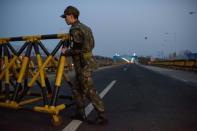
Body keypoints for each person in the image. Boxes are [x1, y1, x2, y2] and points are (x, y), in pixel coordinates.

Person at [60, 5, 108, 124]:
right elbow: (91, 45)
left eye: (65, 17)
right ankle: (80, 113)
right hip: (87, 62)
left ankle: (102, 116)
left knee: (89, 91)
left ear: (71, 16)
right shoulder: (86, 28)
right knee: (76, 88)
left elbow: (77, 49)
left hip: (83, 65)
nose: (65, 19)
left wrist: (66, 51)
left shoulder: (75, 29)